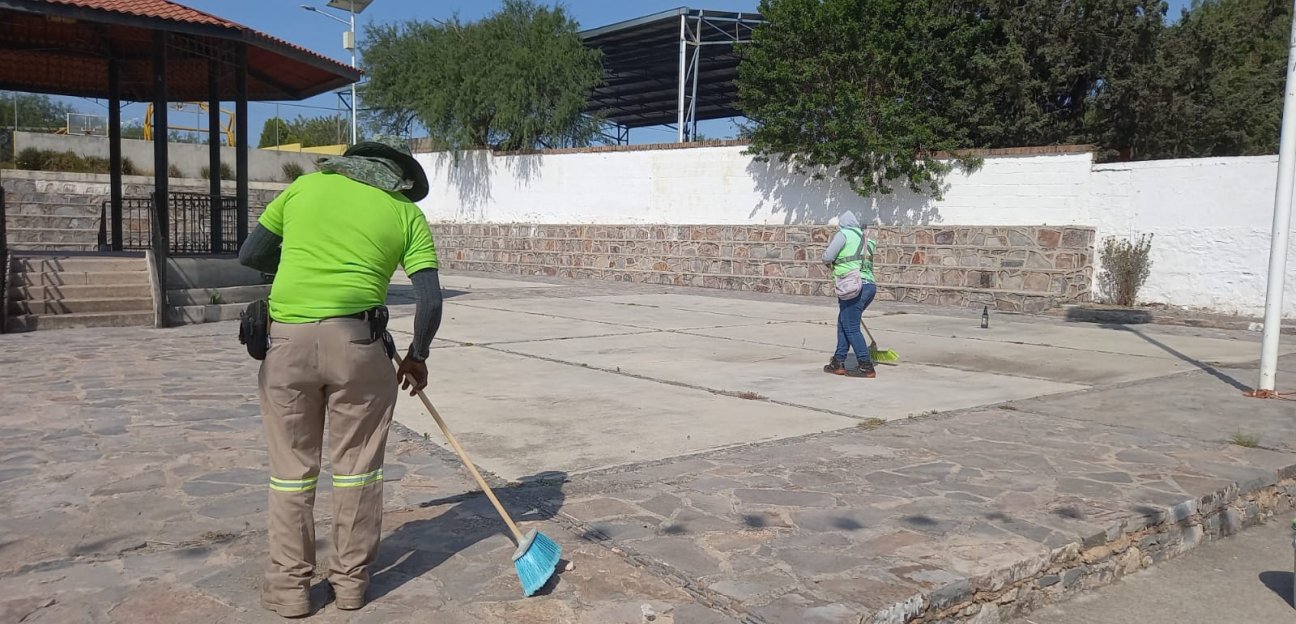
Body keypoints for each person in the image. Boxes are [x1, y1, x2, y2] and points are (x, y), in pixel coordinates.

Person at [237, 136, 445, 617]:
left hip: (286, 346)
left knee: (291, 473)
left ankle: (290, 589)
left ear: (349, 164)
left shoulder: (302, 189)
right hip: (359, 347)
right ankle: (350, 585)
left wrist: (300, 260)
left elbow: (251, 254)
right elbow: (430, 300)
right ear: (398, 178)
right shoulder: (405, 213)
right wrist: (416, 356)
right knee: (358, 470)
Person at [821, 211, 878, 378]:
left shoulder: (844, 234)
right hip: (869, 286)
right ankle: (838, 361)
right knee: (844, 322)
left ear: (842, 224)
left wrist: (828, 262)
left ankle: (866, 366)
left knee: (851, 327)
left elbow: (828, 256)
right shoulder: (867, 239)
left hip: (852, 286)